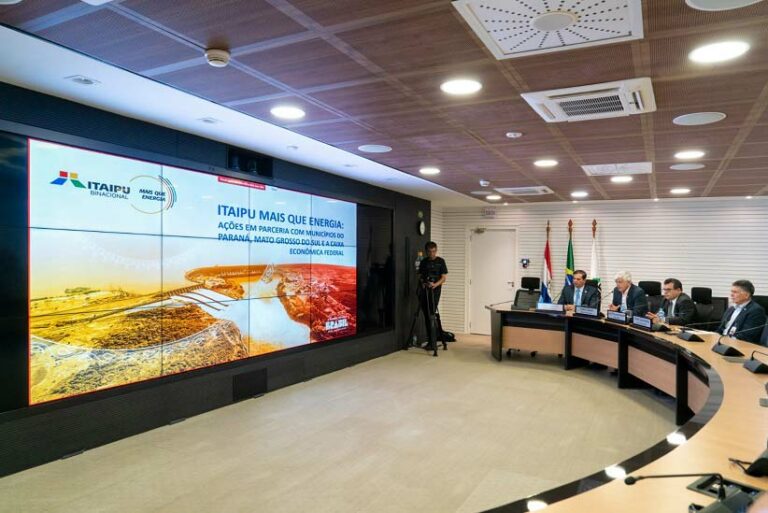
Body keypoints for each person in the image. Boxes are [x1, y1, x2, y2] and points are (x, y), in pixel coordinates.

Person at [418, 241, 448, 350]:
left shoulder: (441, 261)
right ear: (426, 251)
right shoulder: (423, 262)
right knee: (426, 315)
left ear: (436, 250)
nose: (432, 253)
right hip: (425, 291)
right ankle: (430, 341)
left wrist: (435, 285)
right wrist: (423, 283)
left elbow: (443, 278)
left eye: (434, 251)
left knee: (431, 314)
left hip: (435, 291)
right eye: (430, 251)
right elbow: (420, 276)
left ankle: (433, 341)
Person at [718, 280, 767, 344]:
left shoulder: (756, 311)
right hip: (723, 341)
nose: (731, 295)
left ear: (746, 295)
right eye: (731, 292)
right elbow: (721, 329)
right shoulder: (731, 308)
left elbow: (747, 336)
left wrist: (725, 341)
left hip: (739, 345)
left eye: (735, 292)